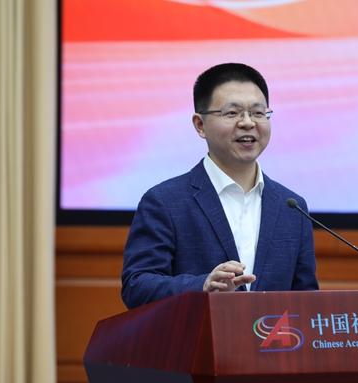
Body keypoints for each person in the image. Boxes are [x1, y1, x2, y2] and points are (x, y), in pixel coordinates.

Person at [121, 63, 318, 309]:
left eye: (258, 113)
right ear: (200, 125)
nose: (248, 123)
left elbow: (307, 299)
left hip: (271, 335)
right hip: (198, 333)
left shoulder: (292, 207)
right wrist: (202, 286)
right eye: (232, 113)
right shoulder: (165, 202)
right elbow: (137, 286)